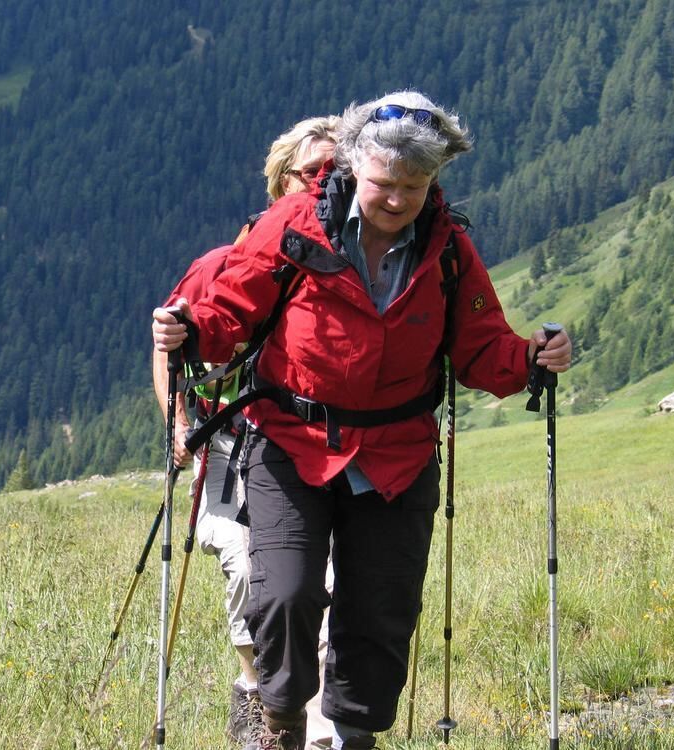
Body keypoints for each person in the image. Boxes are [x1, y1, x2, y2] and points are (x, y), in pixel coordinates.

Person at [153, 90, 572, 750]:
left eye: (415, 184)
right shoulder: (295, 225)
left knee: (379, 615)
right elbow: (231, 307)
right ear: (354, 166)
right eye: (385, 183)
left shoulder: (449, 250)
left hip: (397, 455)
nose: (399, 200)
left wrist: (532, 359)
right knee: (284, 597)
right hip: (290, 442)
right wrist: (189, 328)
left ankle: (353, 739)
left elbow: (481, 346)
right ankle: (281, 725)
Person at [152, 115, 340, 748]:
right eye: (312, 173)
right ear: (278, 182)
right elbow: (169, 340)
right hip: (229, 447)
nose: (325, 184)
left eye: (336, 172)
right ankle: (255, 704)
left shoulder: (349, 268)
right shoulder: (223, 263)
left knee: (326, 584)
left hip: (309, 447)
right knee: (244, 570)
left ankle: (305, 727)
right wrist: (179, 422)